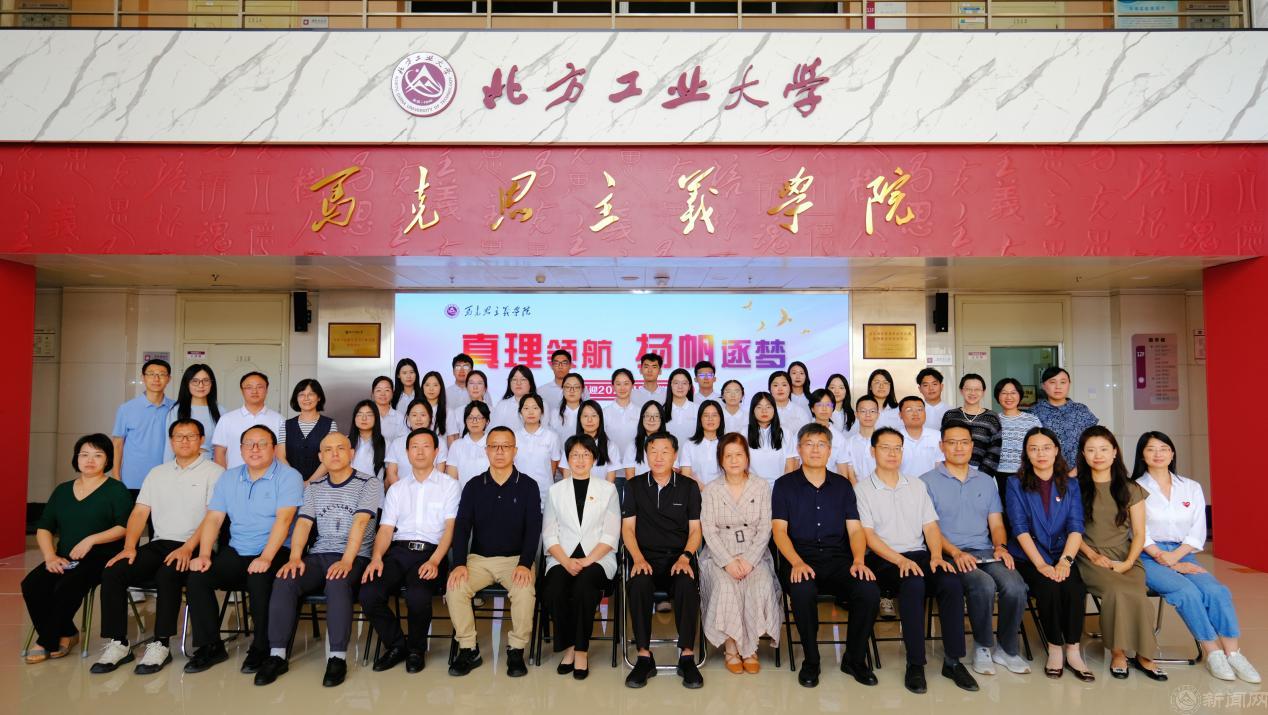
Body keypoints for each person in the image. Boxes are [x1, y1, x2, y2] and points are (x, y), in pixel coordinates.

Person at [92, 419, 224, 675]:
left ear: (201, 440)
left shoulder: (215, 472)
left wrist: (188, 548)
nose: (184, 441)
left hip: (196, 545)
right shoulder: (157, 473)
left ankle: (161, 643)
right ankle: (119, 643)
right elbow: (140, 512)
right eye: (178, 436)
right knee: (114, 571)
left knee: (168, 573)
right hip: (159, 543)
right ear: (171, 441)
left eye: (191, 436)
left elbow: (212, 517)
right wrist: (129, 546)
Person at [255, 433, 383, 687]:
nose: (334, 454)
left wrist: (346, 561)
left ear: (351, 453)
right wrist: (294, 558)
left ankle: (337, 658)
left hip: (354, 556)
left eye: (340, 448)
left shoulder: (369, 483)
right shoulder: (314, 487)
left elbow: (360, 522)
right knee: (285, 578)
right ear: (320, 457)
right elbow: (303, 524)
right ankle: (277, 655)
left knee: (337, 582)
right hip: (319, 554)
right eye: (328, 450)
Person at [856, 426, 977, 694]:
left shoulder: (916, 484)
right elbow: (868, 536)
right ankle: (915, 663)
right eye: (885, 448)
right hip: (884, 558)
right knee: (913, 583)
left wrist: (937, 556)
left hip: (919, 554)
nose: (892, 453)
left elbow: (930, 526)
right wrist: (899, 561)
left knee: (950, 580)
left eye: (897, 448)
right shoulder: (862, 489)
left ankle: (953, 661)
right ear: (873, 451)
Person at [1133, 431, 1260, 683]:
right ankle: (1213, 652)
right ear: (1142, 455)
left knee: (1217, 591)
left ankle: (1234, 653)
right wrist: (1165, 558)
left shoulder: (1190, 487)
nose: (1158, 454)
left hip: (1184, 552)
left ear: (1172, 453)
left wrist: (1176, 558)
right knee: (1186, 592)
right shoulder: (1134, 488)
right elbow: (1137, 531)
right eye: (1151, 449)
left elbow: (1198, 530)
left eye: (1163, 448)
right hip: (1148, 555)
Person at [183, 425, 304, 675]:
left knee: (259, 578)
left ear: (274, 448)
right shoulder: (229, 477)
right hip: (238, 549)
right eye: (249, 444)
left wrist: (266, 557)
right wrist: (204, 554)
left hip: (276, 550)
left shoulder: (289, 476)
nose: (255, 449)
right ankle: (211, 646)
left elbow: (284, 520)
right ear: (240, 449)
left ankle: (261, 647)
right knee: (198, 577)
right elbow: (214, 518)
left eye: (262, 443)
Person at [772, 423, 881, 689]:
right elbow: (779, 531)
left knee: (868, 590)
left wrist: (859, 560)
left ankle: (854, 659)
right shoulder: (784, 485)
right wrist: (796, 562)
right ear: (799, 449)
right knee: (802, 590)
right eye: (809, 444)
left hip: (839, 560)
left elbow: (855, 530)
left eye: (821, 444)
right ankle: (812, 660)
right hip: (799, 558)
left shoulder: (842, 486)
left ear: (830, 450)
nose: (815, 450)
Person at [920, 422, 1031, 677]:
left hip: (985, 551)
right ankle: (982, 646)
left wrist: (1001, 547)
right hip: (949, 553)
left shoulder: (986, 481)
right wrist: (955, 553)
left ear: (972, 446)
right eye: (952, 443)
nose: (958, 448)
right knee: (983, 584)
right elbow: (930, 528)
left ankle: (1007, 649)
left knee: (1015, 585)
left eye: (964, 442)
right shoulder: (926, 482)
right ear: (942, 446)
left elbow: (996, 523)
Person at [23, 434, 132, 664]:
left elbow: (124, 527)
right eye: (84, 455)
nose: (90, 460)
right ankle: (68, 632)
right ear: (76, 458)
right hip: (65, 556)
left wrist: (92, 539)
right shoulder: (62, 490)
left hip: (101, 557)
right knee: (32, 585)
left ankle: (47, 641)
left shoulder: (116, 489)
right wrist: (50, 556)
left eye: (97, 455)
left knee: (68, 585)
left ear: (107, 460)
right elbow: (44, 528)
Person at [361, 428, 460, 674]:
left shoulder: (449, 486)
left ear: (436, 451)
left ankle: (416, 649)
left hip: (431, 553)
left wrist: (435, 561)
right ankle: (396, 645)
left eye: (426, 446)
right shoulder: (397, 489)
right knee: (369, 592)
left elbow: (450, 529)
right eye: (414, 447)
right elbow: (386, 530)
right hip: (399, 552)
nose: (420, 451)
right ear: (407, 453)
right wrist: (376, 558)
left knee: (417, 595)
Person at [446, 427, 542, 678]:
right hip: (479, 560)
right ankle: (468, 648)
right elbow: (462, 527)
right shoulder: (474, 485)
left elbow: (533, 529)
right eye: (494, 446)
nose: (499, 451)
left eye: (505, 446)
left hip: (515, 560)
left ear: (515, 450)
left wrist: (525, 563)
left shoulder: (528, 486)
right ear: (486, 450)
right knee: (455, 586)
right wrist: (459, 563)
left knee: (524, 590)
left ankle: (516, 650)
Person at [1074, 427, 1167, 681]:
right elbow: (1071, 532)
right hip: (1088, 556)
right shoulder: (1074, 488)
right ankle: (1118, 653)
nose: (1098, 455)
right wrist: (1093, 556)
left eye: (1104, 449)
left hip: (1126, 556)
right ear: (1083, 454)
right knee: (1115, 591)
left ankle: (1145, 655)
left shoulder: (1131, 488)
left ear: (1114, 452)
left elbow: (1139, 533)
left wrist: (1128, 562)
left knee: (1137, 594)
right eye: (1091, 450)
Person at [1005, 427, 1092, 680]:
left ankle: (1073, 650)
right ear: (1026, 454)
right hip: (1029, 556)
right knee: (1048, 587)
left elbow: (1076, 526)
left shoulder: (1071, 484)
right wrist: (1042, 565)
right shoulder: (1015, 483)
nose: (1040, 454)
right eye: (1033, 449)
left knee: (1074, 588)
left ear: (1056, 450)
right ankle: (1054, 648)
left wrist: (1065, 561)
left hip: (1062, 553)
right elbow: (1019, 528)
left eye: (1045, 448)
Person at [622, 432, 705, 689]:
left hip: (678, 558)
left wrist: (686, 557)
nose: (659, 457)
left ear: (675, 455)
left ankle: (687, 656)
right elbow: (627, 529)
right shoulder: (634, 486)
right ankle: (644, 656)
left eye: (665, 451)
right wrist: (637, 558)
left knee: (686, 583)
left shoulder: (689, 487)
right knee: (638, 583)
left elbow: (695, 530)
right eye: (653, 451)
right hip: (645, 558)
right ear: (646, 455)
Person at [699, 433, 780, 675]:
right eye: (728, 456)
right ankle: (731, 647)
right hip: (719, 553)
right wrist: (728, 562)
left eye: (739, 455)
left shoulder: (761, 486)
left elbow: (765, 527)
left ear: (747, 458)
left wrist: (749, 560)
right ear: (720, 460)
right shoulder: (712, 489)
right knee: (725, 586)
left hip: (754, 552)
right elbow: (708, 530)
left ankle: (750, 648)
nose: (734, 460)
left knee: (759, 582)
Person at [541, 435, 621, 680]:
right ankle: (569, 646)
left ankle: (581, 650)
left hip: (598, 558)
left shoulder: (607, 490)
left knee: (584, 587)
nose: (580, 460)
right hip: (562, 556)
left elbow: (611, 533)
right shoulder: (555, 491)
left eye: (586, 454)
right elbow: (549, 533)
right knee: (554, 588)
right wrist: (566, 561)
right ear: (567, 459)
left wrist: (588, 560)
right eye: (574, 455)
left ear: (594, 459)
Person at [112, 358, 174, 493]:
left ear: (169, 379)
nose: (156, 378)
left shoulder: (175, 408)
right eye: (151, 374)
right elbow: (117, 444)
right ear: (143, 377)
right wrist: (116, 477)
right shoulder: (126, 409)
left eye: (162, 374)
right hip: (132, 480)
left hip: (167, 478)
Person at [212, 371, 286, 470]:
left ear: (266, 390)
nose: (254, 391)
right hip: (235, 477)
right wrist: (225, 477)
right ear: (242, 391)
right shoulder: (227, 419)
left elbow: (281, 455)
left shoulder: (279, 420)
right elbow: (219, 454)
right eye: (249, 387)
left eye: (259, 387)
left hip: (270, 477)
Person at [1031, 367, 1098, 468]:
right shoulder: (1034, 412)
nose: (1058, 387)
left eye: (1063, 382)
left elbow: (1093, 441)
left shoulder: (1081, 410)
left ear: (1069, 384)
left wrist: (1078, 469)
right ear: (1043, 386)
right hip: (1044, 470)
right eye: (1052, 382)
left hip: (1079, 471)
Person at [940, 374, 1002, 478]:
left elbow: (995, 449)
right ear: (961, 390)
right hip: (952, 471)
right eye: (968, 389)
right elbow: (944, 444)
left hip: (982, 473)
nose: (973, 393)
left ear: (983, 392)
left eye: (977, 389)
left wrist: (982, 475)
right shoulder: (950, 415)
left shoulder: (992, 418)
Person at [993, 377, 1042, 495]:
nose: (1009, 397)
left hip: (1025, 474)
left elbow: (1039, 446)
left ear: (1020, 395)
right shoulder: (993, 420)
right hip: (998, 474)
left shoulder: (1032, 420)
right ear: (997, 396)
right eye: (1004, 393)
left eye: (1013, 393)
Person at [385, 398, 448, 487]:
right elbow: (392, 473)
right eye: (414, 415)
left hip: (432, 491)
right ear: (408, 418)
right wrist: (402, 492)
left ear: (430, 417)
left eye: (423, 415)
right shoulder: (397, 443)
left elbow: (440, 473)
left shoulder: (440, 442)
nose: (418, 419)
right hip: (402, 492)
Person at [283, 378, 336, 483]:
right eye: (301, 394)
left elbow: (330, 457)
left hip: (322, 483)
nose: (306, 398)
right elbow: (281, 456)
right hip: (291, 483)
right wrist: (295, 480)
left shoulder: (330, 424)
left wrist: (309, 483)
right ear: (296, 398)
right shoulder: (286, 425)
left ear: (319, 397)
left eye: (311, 394)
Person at [164, 363, 220, 463]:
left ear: (212, 383)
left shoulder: (221, 411)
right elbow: (170, 445)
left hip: (212, 466)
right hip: (183, 465)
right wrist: (168, 469)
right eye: (195, 381)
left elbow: (224, 447)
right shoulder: (176, 410)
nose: (201, 385)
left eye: (206, 381)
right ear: (187, 384)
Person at [515, 394, 563, 508]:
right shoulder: (514, 437)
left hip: (545, 493)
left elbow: (553, 466)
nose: (531, 412)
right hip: (518, 493)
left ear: (542, 412)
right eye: (526, 408)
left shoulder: (551, 436)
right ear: (520, 412)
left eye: (535, 408)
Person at [746, 392, 798, 483]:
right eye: (759, 407)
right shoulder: (744, 432)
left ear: (774, 409)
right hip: (753, 486)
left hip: (780, 485)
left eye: (768, 407)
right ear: (752, 410)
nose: (764, 411)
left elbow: (790, 465)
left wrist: (782, 487)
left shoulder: (785, 432)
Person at [576, 399, 626, 484]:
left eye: (594, 416)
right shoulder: (572, 445)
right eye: (585, 416)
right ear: (579, 419)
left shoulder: (610, 446)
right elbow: (567, 476)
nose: (589, 420)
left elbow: (610, 482)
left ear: (600, 419)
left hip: (602, 491)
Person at [624, 400, 673, 479]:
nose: (651, 419)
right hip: (639, 487)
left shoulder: (670, 443)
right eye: (647, 416)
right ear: (642, 418)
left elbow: (672, 473)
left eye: (656, 416)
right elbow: (630, 479)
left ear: (661, 419)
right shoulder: (632, 446)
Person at [447, 401, 492, 486]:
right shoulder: (456, 445)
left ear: (487, 421)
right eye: (470, 418)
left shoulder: (493, 444)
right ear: (465, 421)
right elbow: (452, 480)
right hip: (463, 493)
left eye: (479, 417)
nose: (474, 421)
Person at [680, 401, 724, 485]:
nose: (710, 419)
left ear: (720, 418)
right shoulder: (689, 444)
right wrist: (704, 489)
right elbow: (686, 474)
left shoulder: (727, 444)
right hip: (696, 491)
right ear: (700, 419)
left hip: (722, 491)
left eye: (714, 415)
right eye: (706, 415)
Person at [808, 388, 850, 474]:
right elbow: (795, 463)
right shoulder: (801, 433)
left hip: (830, 481)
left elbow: (843, 472)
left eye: (828, 405)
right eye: (819, 404)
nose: (824, 408)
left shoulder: (839, 438)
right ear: (812, 408)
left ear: (833, 408)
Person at [897, 396, 942, 477]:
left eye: (919, 410)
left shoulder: (937, 436)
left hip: (931, 483)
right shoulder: (894, 438)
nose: (915, 414)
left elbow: (940, 465)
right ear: (900, 415)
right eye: (909, 410)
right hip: (903, 483)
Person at [843, 395, 880, 484]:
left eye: (872, 411)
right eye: (863, 411)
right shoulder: (848, 443)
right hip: (858, 490)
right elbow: (851, 475)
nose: (868, 415)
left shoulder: (885, 441)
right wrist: (859, 491)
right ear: (856, 414)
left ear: (878, 415)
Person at [490, 365, 538, 431]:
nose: (518, 383)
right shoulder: (502, 405)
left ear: (530, 383)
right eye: (514, 379)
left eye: (523, 379)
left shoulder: (541, 404)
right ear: (509, 383)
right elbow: (493, 430)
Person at [447, 369, 489, 444]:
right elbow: (454, 441)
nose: (475, 387)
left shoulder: (494, 412)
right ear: (466, 387)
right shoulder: (457, 412)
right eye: (471, 383)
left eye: (479, 383)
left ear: (485, 388)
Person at [769, 370, 810, 435]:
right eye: (776, 385)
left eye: (784, 385)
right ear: (769, 389)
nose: (780, 389)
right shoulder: (764, 412)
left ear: (790, 388)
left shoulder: (800, 412)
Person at [370, 375, 406, 444]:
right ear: (372, 393)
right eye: (378, 390)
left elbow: (403, 441)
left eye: (387, 390)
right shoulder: (365, 415)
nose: (383, 394)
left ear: (392, 393)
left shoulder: (400, 417)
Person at [550, 373, 586, 439]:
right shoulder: (554, 413)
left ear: (582, 390)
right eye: (568, 387)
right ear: (562, 389)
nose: (572, 390)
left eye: (576, 387)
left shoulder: (587, 412)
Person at [420, 369, 451, 441]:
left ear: (441, 387)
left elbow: (451, 439)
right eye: (427, 385)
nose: (431, 389)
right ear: (422, 387)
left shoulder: (448, 412)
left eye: (435, 385)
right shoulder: (415, 410)